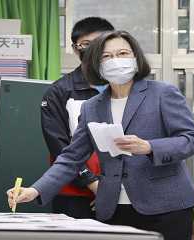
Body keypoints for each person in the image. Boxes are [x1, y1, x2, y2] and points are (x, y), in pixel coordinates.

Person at [8, 30, 194, 240]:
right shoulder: (92, 107)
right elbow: (71, 158)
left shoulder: (162, 93)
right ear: (97, 65)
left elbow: (193, 139)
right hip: (112, 208)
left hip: (166, 207)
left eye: (122, 53)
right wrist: (35, 190)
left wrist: (149, 147)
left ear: (136, 59)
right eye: (107, 56)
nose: (116, 60)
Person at [40, 17, 114, 219]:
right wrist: (94, 184)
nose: (93, 50)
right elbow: (59, 146)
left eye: (99, 43)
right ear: (75, 49)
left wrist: (114, 187)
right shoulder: (58, 92)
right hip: (75, 193)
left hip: (123, 192)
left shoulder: (127, 87)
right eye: (85, 45)